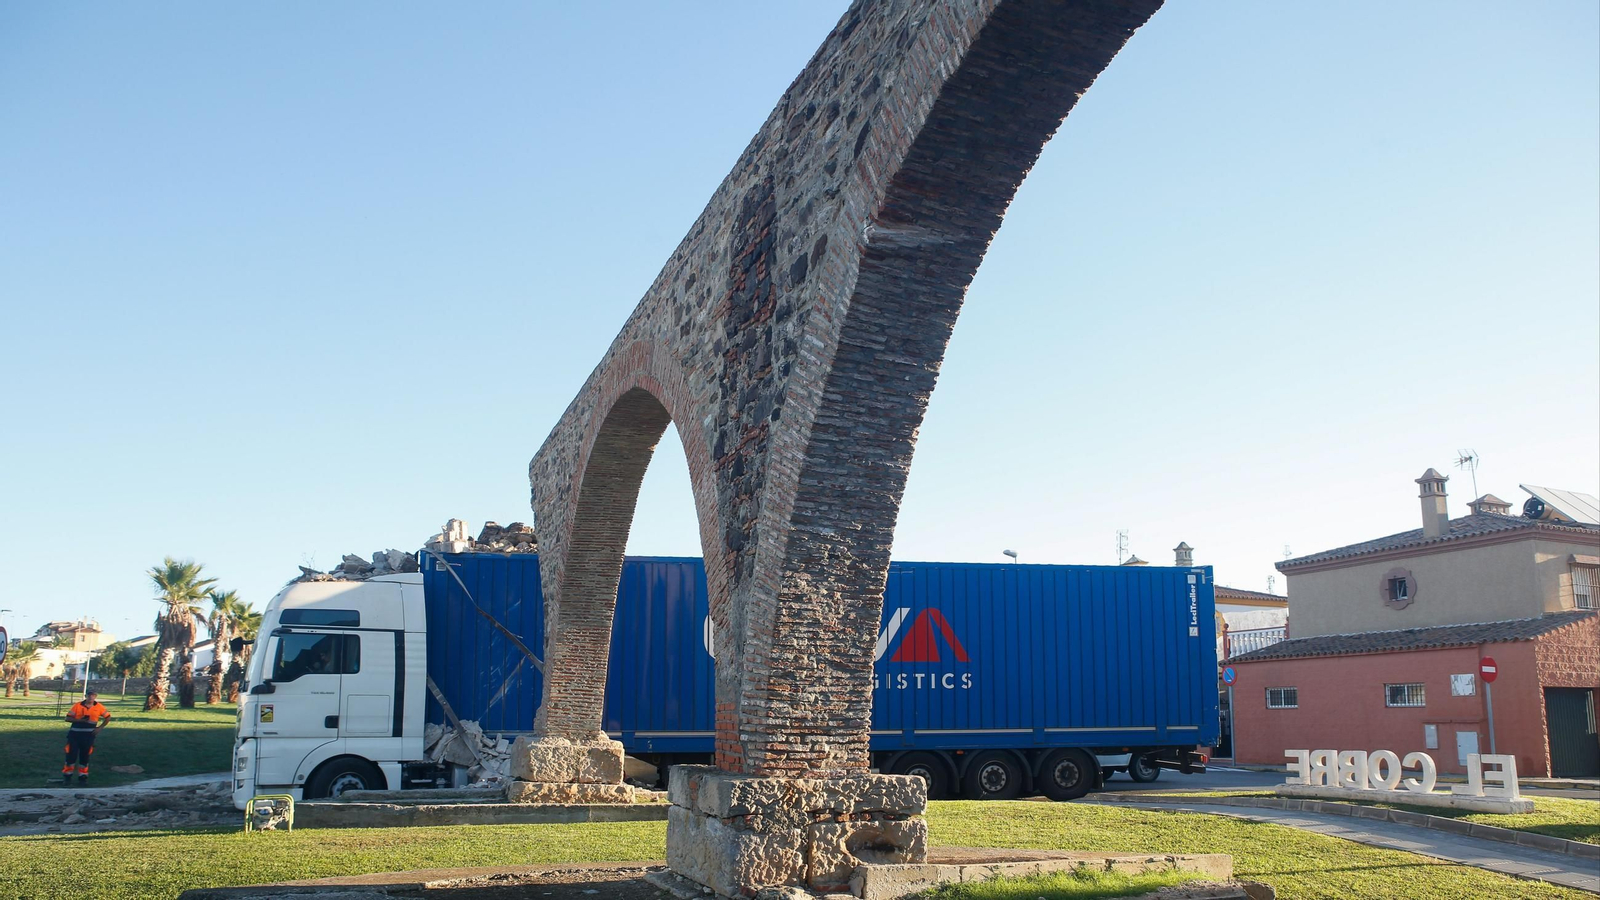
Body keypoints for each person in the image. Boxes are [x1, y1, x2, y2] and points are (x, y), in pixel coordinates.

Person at [63, 690, 111, 786]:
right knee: (71, 756)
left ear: (95, 696)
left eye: (93, 695)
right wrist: (79, 720)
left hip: (89, 736)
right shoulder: (77, 705)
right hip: (74, 735)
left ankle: (83, 778)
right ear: (86, 696)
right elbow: (67, 718)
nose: (91, 697)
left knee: (85, 757)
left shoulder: (99, 707)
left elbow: (108, 717)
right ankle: (67, 777)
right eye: (89, 695)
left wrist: (100, 728)